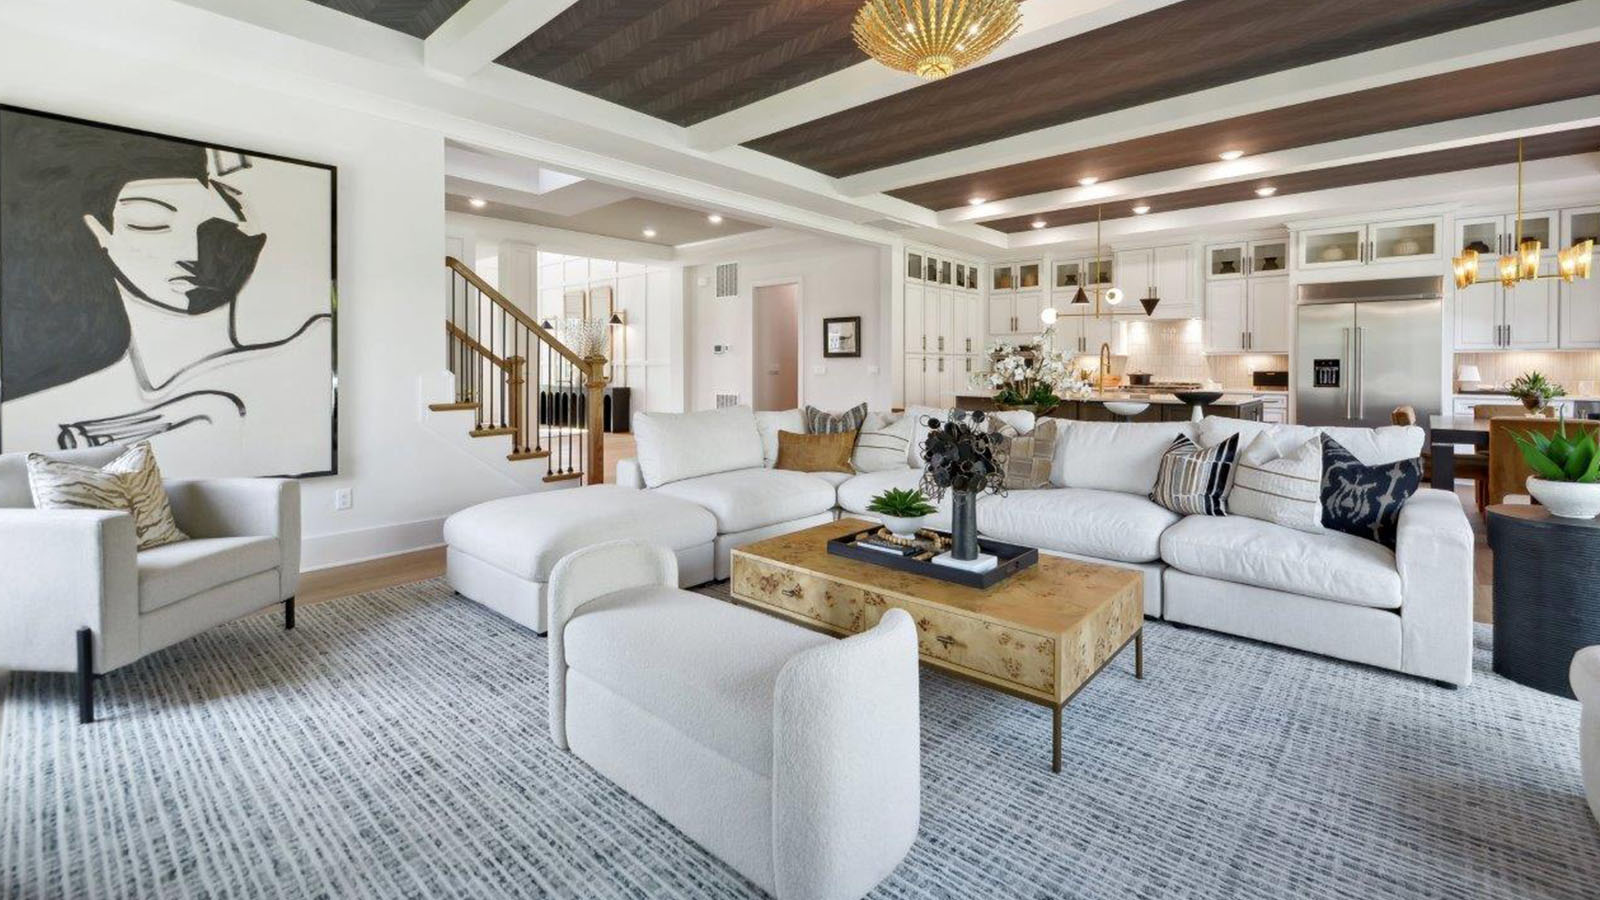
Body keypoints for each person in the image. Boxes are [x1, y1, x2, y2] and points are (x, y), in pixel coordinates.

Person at [0, 109, 332, 476]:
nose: (192, 254)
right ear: (100, 232)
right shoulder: (32, 411)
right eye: (151, 222)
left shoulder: (310, 345)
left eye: (213, 227)